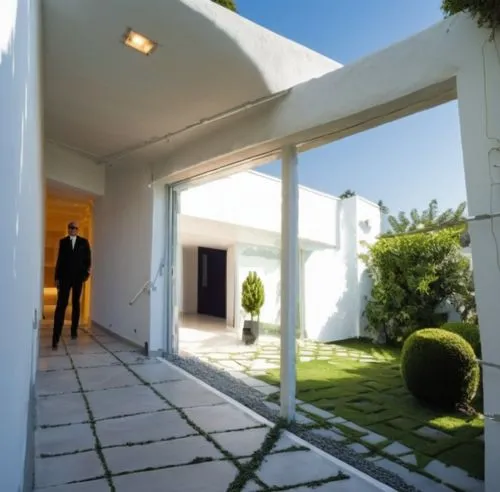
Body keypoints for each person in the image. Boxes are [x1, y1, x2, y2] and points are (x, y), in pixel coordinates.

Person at [52, 221, 91, 349]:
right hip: (65, 278)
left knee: (76, 303)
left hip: (78, 278)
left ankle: (74, 331)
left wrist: (85, 275)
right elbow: (60, 259)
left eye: (74, 228)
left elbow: (88, 260)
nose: (72, 229)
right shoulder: (63, 242)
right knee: (61, 304)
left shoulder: (84, 242)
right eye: (70, 227)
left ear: (77, 230)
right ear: (68, 229)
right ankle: (56, 335)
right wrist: (57, 277)